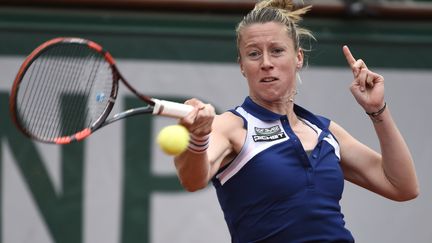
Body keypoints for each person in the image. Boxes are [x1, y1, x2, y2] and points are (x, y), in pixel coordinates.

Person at [174, 0, 419, 242]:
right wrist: (197, 137)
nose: (266, 63)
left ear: (298, 58)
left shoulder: (325, 131)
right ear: (242, 66)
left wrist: (378, 110)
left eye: (277, 51)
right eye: (253, 54)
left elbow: (402, 186)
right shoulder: (229, 126)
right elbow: (193, 180)